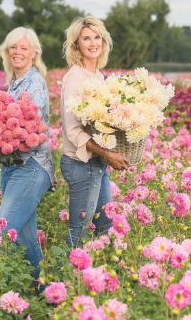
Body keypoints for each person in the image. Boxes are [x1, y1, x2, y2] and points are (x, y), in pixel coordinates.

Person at [60, 16, 129, 248]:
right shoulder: (75, 78)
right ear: (76, 44)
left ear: (103, 41)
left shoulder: (98, 77)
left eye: (97, 37)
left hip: (97, 161)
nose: (93, 43)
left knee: (105, 226)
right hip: (80, 163)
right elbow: (73, 131)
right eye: (86, 38)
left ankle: (99, 277)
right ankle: (62, 279)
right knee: (78, 231)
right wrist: (108, 155)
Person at [0, 27, 55, 283]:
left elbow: (31, 126)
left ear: (34, 53)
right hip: (12, 167)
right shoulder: (15, 83)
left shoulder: (34, 82)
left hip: (30, 167)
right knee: (28, 241)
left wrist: (0, 132)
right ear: (7, 51)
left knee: (1, 229)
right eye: (13, 47)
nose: (17, 52)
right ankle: (48, 296)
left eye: (24, 48)